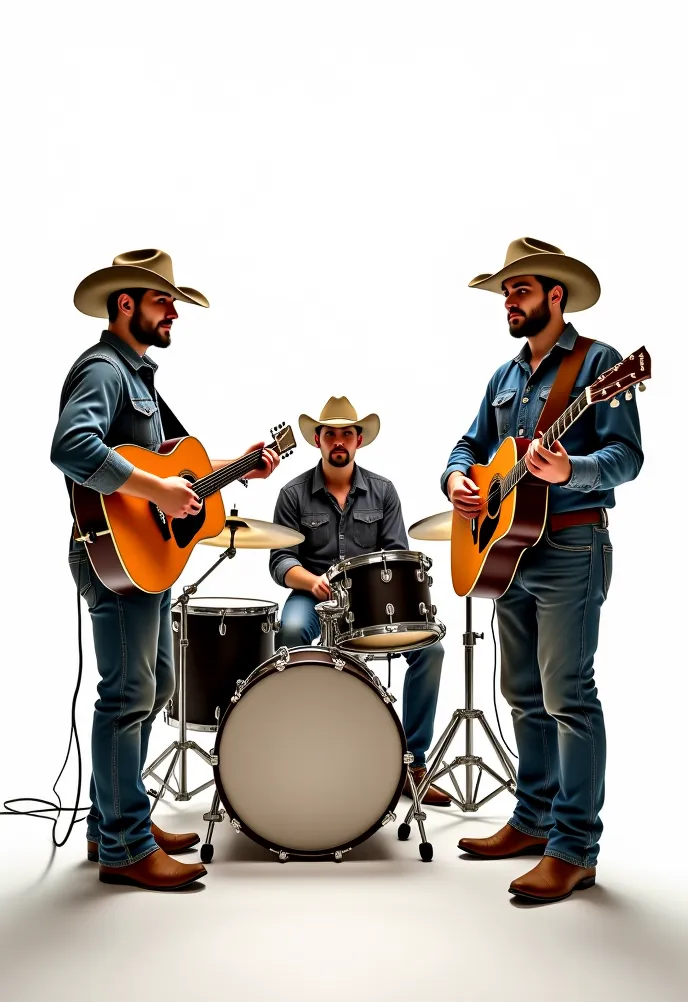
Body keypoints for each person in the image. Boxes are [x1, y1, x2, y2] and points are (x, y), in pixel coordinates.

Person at [51, 249, 279, 891]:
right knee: (127, 695)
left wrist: (239, 467)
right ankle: (124, 848)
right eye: (162, 301)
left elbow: (177, 471)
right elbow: (70, 447)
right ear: (126, 304)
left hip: (141, 559)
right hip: (114, 558)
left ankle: (115, 822)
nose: (173, 310)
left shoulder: (140, 377)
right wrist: (155, 493)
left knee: (154, 682)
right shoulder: (103, 370)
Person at [442, 238, 643, 903]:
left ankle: (574, 847)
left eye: (520, 290)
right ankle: (532, 819)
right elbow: (470, 445)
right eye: (505, 293)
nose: (509, 302)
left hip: (571, 548)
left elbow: (626, 456)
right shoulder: (504, 377)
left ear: (556, 296)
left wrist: (572, 470)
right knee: (523, 693)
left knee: (568, 695)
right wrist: (457, 481)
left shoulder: (602, 366)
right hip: (509, 551)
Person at [269, 396, 449, 805]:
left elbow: (395, 554)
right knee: (291, 631)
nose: (338, 441)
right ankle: (299, 751)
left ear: (358, 441)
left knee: (432, 650)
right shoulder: (293, 493)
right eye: (330, 433)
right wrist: (312, 581)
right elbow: (280, 559)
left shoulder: (383, 492)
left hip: (370, 600)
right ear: (317, 439)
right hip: (310, 592)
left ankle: (412, 763)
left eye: (346, 434)